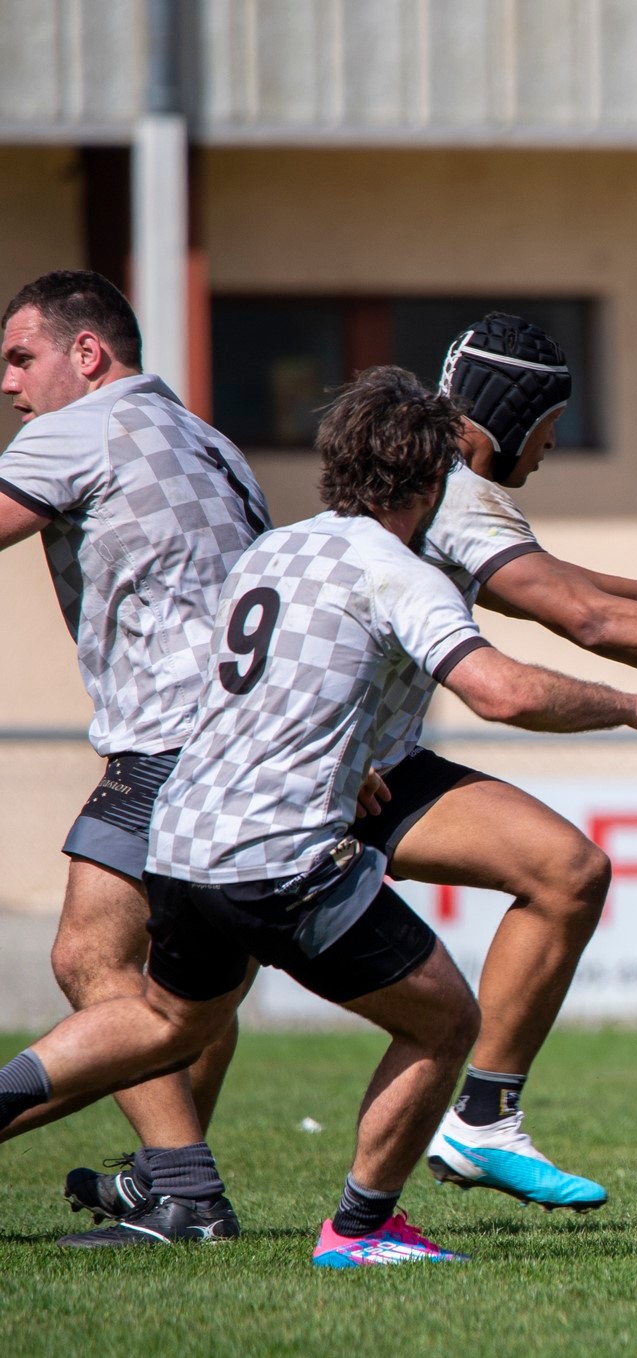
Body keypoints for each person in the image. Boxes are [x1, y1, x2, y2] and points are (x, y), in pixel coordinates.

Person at [58, 313, 637, 1219]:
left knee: (552, 876)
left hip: (311, 767)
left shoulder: (435, 493)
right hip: (316, 778)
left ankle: (205, 1177)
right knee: (178, 988)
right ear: (515, 417)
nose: (554, 445)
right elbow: (573, 617)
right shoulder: (453, 493)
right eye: (552, 424)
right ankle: (407, 1147)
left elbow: (538, 576)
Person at [0, 366, 637, 1266]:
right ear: (432, 480)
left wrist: (352, 764)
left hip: (179, 845)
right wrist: (632, 705)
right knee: (443, 1021)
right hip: (280, 859)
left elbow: (276, 690)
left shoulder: (275, 551)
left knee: (169, 1023)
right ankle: (360, 1229)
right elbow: (500, 692)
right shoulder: (399, 571)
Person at [0, 270, 270, 1246]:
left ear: (88, 353)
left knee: (89, 956)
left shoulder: (80, 425)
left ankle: (187, 1191)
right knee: (189, 987)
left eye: (20, 356)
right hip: (253, 738)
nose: (8, 384)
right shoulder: (211, 439)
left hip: (170, 739)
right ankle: (175, 1186)